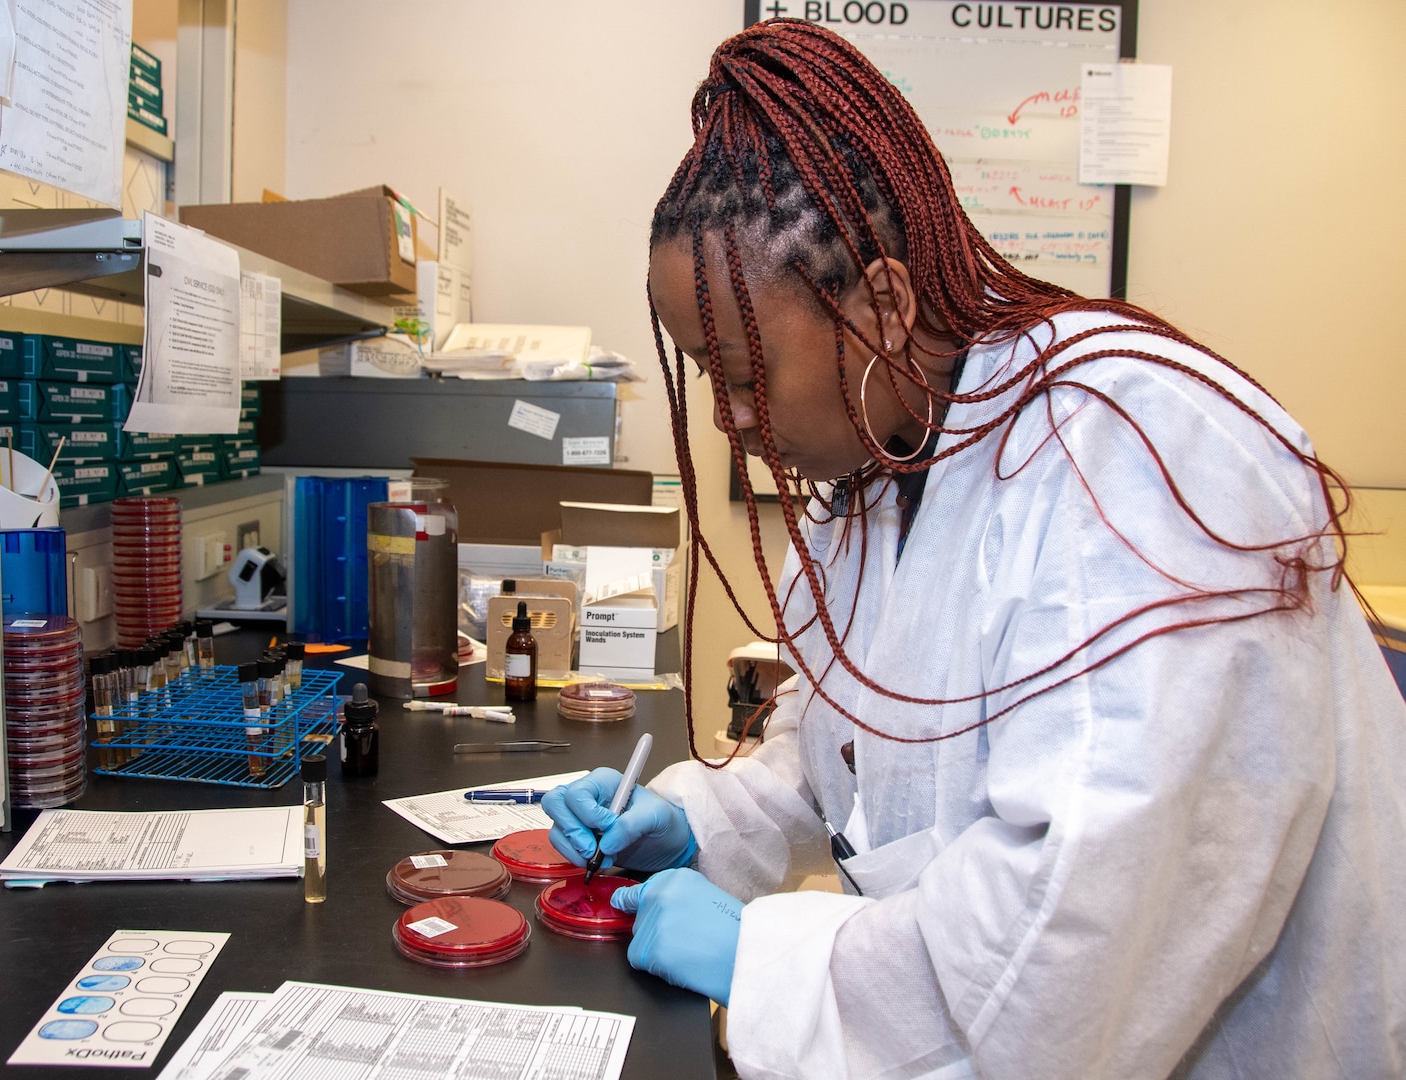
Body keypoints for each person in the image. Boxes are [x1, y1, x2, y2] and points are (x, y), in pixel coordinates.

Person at [542, 19, 1406, 1080]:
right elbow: (843, 749)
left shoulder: (1128, 457)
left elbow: (1073, 930)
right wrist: (692, 825)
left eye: (740, 370)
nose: (726, 416)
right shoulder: (884, 463)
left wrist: (766, 960)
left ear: (887, 307)